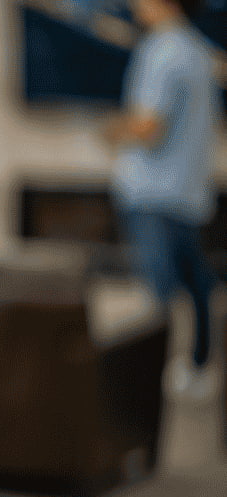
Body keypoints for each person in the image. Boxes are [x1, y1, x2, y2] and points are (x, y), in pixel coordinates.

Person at [105, 0, 222, 400]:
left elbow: (148, 126)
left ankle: (146, 392)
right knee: (196, 284)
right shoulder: (198, 50)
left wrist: (111, 130)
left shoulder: (160, 50)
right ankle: (198, 367)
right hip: (188, 191)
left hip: (154, 193)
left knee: (158, 299)